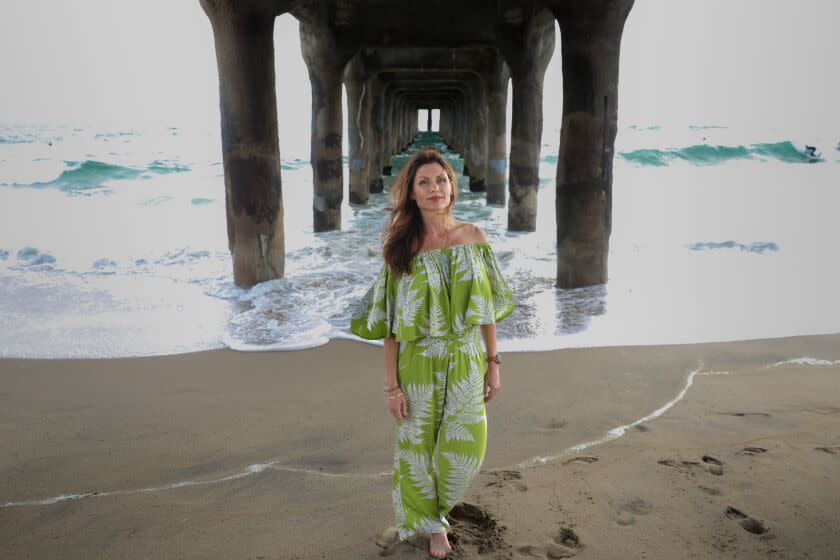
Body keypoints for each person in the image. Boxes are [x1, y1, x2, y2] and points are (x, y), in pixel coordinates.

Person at [350, 147, 515, 558]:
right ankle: (431, 527)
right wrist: (391, 387)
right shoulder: (400, 249)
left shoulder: (474, 238)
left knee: (468, 449)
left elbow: (488, 308)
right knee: (415, 451)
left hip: (465, 357)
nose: (434, 188)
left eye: (440, 180)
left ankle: (434, 510)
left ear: (452, 186)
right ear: (412, 193)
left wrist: (493, 364)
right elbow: (389, 325)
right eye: (424, 182)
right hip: (418, 361)